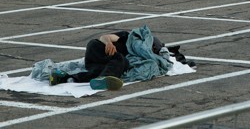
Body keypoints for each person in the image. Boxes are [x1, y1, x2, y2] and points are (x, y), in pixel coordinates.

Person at [49, 29, 194, 90]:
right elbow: (104, 37)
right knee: (122, 61)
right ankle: (105, 79)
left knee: (95, 73)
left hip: (100, 63)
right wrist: (108, 43)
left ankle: (65, 78)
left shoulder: (140, 56)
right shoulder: (127, 37)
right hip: (97, 49)